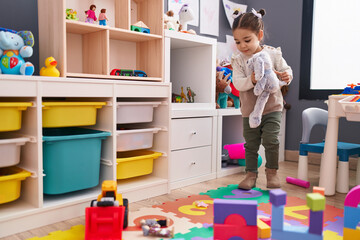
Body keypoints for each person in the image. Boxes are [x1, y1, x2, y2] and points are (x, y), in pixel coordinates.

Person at [231, 8, 293, 190]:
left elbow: (286, 70)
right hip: (250, 111)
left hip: (272, 107)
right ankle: (251, 174)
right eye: (237, 42)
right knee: (250, 145)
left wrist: (286, 76)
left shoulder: (273, 54)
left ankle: (271, 173)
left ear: (259, 34)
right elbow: (238, 84)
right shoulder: (239, 60)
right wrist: (252, 79)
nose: (242, 45)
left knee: (271, 141)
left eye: (247, 40)